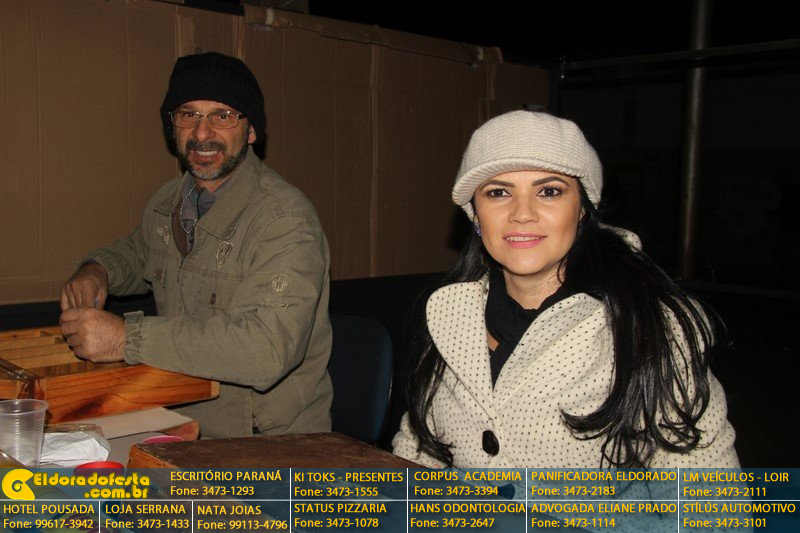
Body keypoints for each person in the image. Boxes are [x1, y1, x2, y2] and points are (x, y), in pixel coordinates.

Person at [392, 110, 739, 469]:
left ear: (583, 210)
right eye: (498, 192)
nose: (522, 213)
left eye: (549, 191)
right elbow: (417, 452)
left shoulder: (650, 324)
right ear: (476, 215)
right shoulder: (450, 316)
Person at [59, 52, 333, 439]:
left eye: (222, 115)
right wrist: (97, 270)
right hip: (178, 420)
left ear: (251, 131)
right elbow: (138, 252)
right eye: (189, 114)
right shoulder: (169, 202)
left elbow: (266, 349)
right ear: (172, 126)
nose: (202, 134)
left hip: (269, 444)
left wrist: (126, 338)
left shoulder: (284, 220)